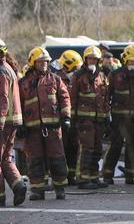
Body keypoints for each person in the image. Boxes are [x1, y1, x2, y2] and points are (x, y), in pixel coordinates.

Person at [18, 47, 71, 201]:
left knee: (57, 158)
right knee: (35, 160)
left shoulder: (55, 79)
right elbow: (18, 103)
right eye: (41, 62)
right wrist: (20, 124)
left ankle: (60, 189)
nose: (44, 64)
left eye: (46, 62)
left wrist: (66, 117)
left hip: (53, 128)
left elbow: (65, 98)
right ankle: (37, 190)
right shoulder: (23, 83)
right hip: (32, 130)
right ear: (33, 63)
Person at [102, 45, 134, 185]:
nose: (133, 64)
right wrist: (107, 115)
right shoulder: (115, 74)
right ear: (125, 60)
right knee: (115, 146)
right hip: (118, 117)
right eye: (131, 61)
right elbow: (107, 94)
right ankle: (107, 174)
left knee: (133, 147)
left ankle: (130, 176)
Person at [70, 45, 109, 189]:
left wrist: (106, 115)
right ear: (85, 59)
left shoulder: (102, 76)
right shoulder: (78, 76)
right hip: (84, 119)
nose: (92, 61)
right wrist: (72, 118)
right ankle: (83, 178)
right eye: (90, 58)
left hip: (99, 119)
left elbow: (104, 97)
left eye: (95, 59)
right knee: (87, 148)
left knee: (97, 148)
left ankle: (93, 176)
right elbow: (72, 98)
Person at [0, 39, 27, 206]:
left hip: (4, 122)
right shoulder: (9, 68)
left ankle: (0, 196)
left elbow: (2, 99)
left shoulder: (1, 71)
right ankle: (18, 185)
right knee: (6, 159)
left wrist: (0, 121)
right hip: (13, 121)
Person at [51, 50, 83, 185]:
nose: (79, 69)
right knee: (60, 148)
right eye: (77, 66)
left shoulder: (76, 78)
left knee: (73, 148)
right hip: (61, 119)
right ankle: (60, 177)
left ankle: (71, 175)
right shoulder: (57, 78)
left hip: (74, 119)